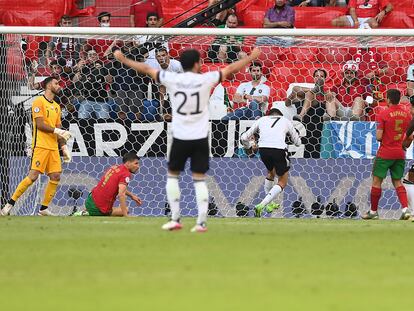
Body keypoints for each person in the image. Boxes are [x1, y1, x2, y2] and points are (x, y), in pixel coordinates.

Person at [113, 47, 261, 232]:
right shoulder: (205, 79)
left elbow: (146, 69)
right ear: (198, 64)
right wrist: (252, 56)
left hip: (180, 137)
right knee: (199, 179)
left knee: (173, 177)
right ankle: (201, 222)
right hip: (200, 138)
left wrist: (123, 58)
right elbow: (231, 69)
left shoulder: (173, 78)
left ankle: (175, 219)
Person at [1, 77, 72, 216]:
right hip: (40, 145)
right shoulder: (38, 102)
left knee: (56, 176)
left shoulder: (57, 106)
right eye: (56, 83)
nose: (59, 86)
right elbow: (40, 125)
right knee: (33, 176)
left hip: (52, 147)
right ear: (48, 85)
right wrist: (57, 131)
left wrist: (64, 148)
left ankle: (43, 209)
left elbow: (59, 129)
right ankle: (9, 205)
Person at [240, 108, 301, 217]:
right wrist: (295, 135)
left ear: (269, 115)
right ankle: (261, 205)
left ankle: (270, 204)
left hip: (263, 150)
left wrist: (248, 146)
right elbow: (297, 143)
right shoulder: (285, 120)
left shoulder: (262, 119)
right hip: (279, 150)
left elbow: (244, 137)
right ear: (280, 115)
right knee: (283, 181)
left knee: (271, 173)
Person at [362, 89, 411, 220]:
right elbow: (410, 137)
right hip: (400, 153)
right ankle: (406, 210)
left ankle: (373, 212)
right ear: (399, 99)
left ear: (388, 99)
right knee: (397, 181)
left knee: (377, 181)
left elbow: (378, 136)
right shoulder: (407, 114)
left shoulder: (383, 114)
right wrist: (403, 144)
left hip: (385, 153)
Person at [73, 152, 142, 217]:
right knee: (126, 210)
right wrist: (125, 215)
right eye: (136, 163)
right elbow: (121, 194)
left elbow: (115, 187)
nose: (138, 166)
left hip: (90, 199)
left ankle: (86, 211)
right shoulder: (125, 174)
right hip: (99, 208)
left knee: (117, 209)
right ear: (128, 163)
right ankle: (86, 214)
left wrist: (132, 196)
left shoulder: (115, 167)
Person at [73, 49, 112, 119]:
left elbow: (110, 81)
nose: (92, 56)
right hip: (87, 100)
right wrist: (79, 69)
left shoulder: (103, 66)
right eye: (90, 55)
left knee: (105, 122)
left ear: (97, 56)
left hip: (102, 101)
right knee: (81, 119)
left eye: (94, 54)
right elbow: (74, 81)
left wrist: (102, 70)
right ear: (87, 58)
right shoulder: (85, 69)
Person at [153, 47, 183, 121]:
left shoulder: (177, 65)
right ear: (156, 58)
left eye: (163, 55)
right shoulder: (157, 71)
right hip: (169, 92)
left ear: (168, 55)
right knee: (166, 115)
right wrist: (162, 107)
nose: (161, 58)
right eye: (158, 56)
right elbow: (162, 89)